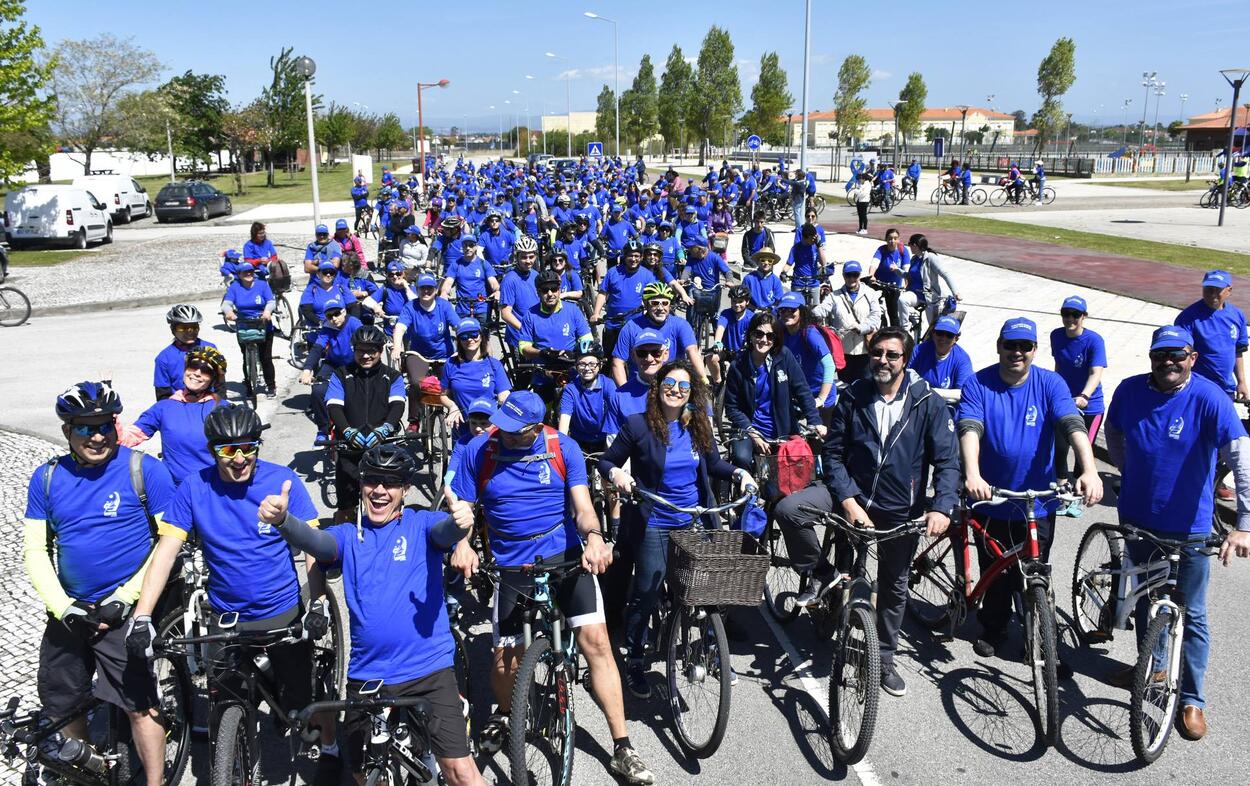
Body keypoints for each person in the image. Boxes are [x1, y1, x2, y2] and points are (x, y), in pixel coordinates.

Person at [448, 392, 655, 785]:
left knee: (597, 642)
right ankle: (506, 714)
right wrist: (462, 544)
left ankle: (622, 746)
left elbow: (582, 506)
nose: (503, 435)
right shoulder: (482, 449)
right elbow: (464, 508)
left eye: (514, 431)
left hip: (562, 559)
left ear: (535, 428)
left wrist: (594, 537)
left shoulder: (563, 447)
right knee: (505, 661)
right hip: (512, 565)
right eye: (501, 426)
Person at [125, 406, 333, 782]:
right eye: (227, 451)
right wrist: (142, 616)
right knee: (229, 706)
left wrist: (317, 602)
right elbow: (166, 552)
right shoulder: (193, 487)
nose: (239, 459)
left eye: (247, 448)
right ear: (211, 450)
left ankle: (315, 728)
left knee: (299, 704)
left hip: (282, 613)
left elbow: (313, 551)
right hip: (227, 620)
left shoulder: (282, 481)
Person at [263, 445, 487, 786]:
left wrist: (459, 526)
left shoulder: (421, 524)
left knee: (461, 772)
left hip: (427, 669)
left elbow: (444, 532)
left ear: (405, 489)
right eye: (372, 481)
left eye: (391, 482)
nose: (380, 490)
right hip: (369, 673)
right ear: (361, 484)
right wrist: (284, 521)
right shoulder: (347, 535)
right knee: (361, 774)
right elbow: (317, 543)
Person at [784, 326, 960, 696]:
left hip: (900, 507)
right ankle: (824, 572)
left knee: (894, 586)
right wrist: (848, 500)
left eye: (891, 355)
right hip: (851, 496)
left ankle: (884, 658)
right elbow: (832, 454)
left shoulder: (927, 402)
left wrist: (942, 506)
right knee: (790, 509)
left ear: (905, 360)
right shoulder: (854, 395)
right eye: (877, 352)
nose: (882, 360)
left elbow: (947, 460)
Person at [1103, 324, 1250, 741]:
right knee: (1149, 603)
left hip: (1189, 530)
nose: (1168, 362)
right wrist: (1124, 467)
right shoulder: (1130, 390)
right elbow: (1113, 430)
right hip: (1137, 520)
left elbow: (1241, 455)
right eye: (1160, 355)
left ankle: (1192, 700)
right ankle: (1151, 668)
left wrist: (1244, 523)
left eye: (1177, 355)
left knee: (1194, 614)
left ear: (1192, 358)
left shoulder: (1208, 397)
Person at [25, 382, 174, 786]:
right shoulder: (47, 478)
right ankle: (86, 770)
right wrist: (63, 607)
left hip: (126, 607)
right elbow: (35, 551)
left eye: (105, 426)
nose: (96, 436)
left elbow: (169, 542)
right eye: (84, 428)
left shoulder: (144, 470)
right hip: (71, 610)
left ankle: (155, 782)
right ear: (66, 432)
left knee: (139, 705)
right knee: (63, 702)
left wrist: (126, 598)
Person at [598, 361, 756, 698]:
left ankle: (711, 649)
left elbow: (714, 465)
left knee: (709, 587)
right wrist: (619, 475)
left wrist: (739, 474)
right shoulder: (639, 425)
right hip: (654, 518)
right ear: (658, 387)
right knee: (648, 588)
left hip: (692, 516)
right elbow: (606, 461)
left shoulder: (698, 426)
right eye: (670, 383)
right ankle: (636, 658)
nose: (676, 390)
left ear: (691, 393)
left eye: (684, 387)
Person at [958, 317, 1103, 657]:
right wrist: (973, 474)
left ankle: (1041, 646)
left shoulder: (1051, 383)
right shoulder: (979, 384)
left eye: (1025, 346)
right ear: (999, 346)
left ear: (1035, 350)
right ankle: (993, 628)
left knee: (1034, 574)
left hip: (1037, 502)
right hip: (992, 497)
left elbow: (1071, 423)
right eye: (1011, 345)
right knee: (994, 573)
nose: (1017, 352)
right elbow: (970, 428)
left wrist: (1090, 469)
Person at [1176, 269, 1249, 499]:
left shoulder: (1236, 316)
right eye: (1208, 289)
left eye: (1217, 290)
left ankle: (1213, 482)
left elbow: (1237, 351)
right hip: (1196, 389)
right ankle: (1188, 479)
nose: (1212, 294)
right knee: (1194, 435)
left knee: (1218, 436)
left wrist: (1242, 382)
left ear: (1229, 291)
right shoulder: (1189, 317)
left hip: (1225, 389)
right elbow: (1180, 354)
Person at [723, 310, 824, 471]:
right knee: (741, 459)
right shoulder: (738, 366)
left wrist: (815, 421)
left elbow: (802, 391)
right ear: (750, 335)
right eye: (759, 334)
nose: (764, 340)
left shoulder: (784, 357)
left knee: (796, 469)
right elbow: (732, 407)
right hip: (749, 429)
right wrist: (752, 433)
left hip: (782, 429)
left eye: (770, 336)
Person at [324, 325, 405, 522]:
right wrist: (348, 431)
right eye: (361, 350)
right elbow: (334, 406)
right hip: (349, 450)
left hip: (383, 452)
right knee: (345, 511)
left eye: (372, 351)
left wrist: (385, 428)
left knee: (392, 510)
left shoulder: (392, 376)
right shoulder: (341, 374)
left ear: (380, 351)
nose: (366, 355)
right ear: (354, 350)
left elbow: (397, 405)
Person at [121, 346, 231, 484]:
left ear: (213, 379)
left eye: (206, 371)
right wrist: (110, 413)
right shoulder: (163, 408)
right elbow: (126, 439)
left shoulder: (223, 409)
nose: (197, 373)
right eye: (193, 366)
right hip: (175, 489)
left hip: (212, 488)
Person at [1050, 296, 1107, 517]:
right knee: (1060, 447)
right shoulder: (1056, 336)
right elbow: (1058, 365)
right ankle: (1063, 491)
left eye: (1075, 314)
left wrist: (1084, 395)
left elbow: (1096, 372)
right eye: (1066, 314)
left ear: (1084, 316)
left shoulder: (1094, 341)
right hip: (1064, 403)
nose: (1070, 319)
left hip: (1090, 407)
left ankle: (1079, 495)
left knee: (1083, 451)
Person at [393, 273, 460, 432]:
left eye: (430, 288)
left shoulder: (443, 306)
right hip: (418, 355)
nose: (426, 291)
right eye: (422, 288)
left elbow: (458, 327)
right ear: (417, 290)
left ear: (436, 290)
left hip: (444, 355)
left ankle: (458, 412)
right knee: (416, 382)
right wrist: (397, 347)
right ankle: (414, 420)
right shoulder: (411, 307)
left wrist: (464, 346)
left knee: (455, 382)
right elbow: (400, 328)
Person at [611, 281, 707, 386]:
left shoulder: (680, 325)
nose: (660, 308)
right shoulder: (631, 327)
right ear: (646, 305)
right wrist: (625, 394)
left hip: (671, 386)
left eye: (665, 303)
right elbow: (618, 363)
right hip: (641, 384)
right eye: (655, 303)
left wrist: (703, 380)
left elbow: (692, 351)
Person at [300, 299, 364, 446]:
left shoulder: (354, 323)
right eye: (329, 316)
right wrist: (307, 369)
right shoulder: (327, 327)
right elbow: (317, 348)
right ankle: (323, 430)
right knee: (317, 391)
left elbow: (364, 342)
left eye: (336, 314)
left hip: (354, 364)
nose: (334, 319)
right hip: (333, 364)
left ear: (344, 311)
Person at [440, 317, 511, 433]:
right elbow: (443, 395)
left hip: (488, 425)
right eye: (464, 336)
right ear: (459, 340)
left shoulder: (494, 365)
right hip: (463, 424)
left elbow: (504, 395)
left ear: (481, 336)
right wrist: (452, 407)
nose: (470, 339)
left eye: (474, 334)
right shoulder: (451, 364)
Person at [814, 260, 879, 384]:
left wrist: (862, 328)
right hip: (843, 351)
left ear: (859, 275)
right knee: (845, 386)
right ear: (844, 276)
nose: (851, 278)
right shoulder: (834, 296)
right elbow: (822, 309)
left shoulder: (870, 294)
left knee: (865, 386)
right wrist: (808, 313)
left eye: (855, 275)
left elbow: (876, 317)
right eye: (848, 275)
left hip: (864, 350)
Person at [222, 262, 278, 398]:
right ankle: (248, 385)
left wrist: (267, 311)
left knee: (266, 357)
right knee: (246, 358)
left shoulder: (262, 285)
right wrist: (229, 312)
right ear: (239, 275)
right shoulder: (235, 287)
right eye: (245, 272)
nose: (248, 274)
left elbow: (271, 301)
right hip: (244, 324)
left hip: (262, 323)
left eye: (251, 271)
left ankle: (271, 385)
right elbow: (226, 303)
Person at [593, 240, 657, 357]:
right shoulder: (613, 272)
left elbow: (652, 298)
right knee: (608, 359)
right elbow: (603, 294)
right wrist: (596, 313)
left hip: (635, 323)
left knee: (635, 358)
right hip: (612, 322)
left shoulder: (647, 275)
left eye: (637, 256)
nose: (633, 259)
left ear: (642, 257)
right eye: (630, 255)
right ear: (624, 256)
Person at [778, 292, 836, 412]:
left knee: (823, 429)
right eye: (783, 310)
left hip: (820, 392)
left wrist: (821, 398)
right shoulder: (782, 332)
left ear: (801, 312)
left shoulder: (809, 333)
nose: (787, 314)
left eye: (792, 310)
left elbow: (829, 365)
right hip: (800, 393)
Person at [559, 343, 617, 453]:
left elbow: (615, 416)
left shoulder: (608, 385)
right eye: (582, 364)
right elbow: (564, 420)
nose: (587, 368)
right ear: (575, 365)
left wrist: (611, 449)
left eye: (592, 364)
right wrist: (562, 446)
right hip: (579, 441)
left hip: (604, 439)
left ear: (600, 365)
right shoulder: (571, 389)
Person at [899, 234, 960, 334]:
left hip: (930, 298)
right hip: (915, 295)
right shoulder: (914, 259)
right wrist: (896, 270)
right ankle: (904, 330)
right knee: (902, 300)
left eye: (909, 244)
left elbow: (945, 274)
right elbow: (909, 276)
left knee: (934, 330)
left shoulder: (930, 258)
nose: (908, 246)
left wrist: (956, 292)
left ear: (915, 245)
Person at [154, 304, 217, 401]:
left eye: (194, 327)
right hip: (180, 405)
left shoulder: (210, 348)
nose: (190, 331)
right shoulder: (164, 358)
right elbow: (162, 394)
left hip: (208, 402)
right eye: (183, 328)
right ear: (173, 329)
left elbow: (220, 383)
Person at [909, 315, 974, 404]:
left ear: (956, 338)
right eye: (940, 333)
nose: (943, 338)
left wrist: (930, 391)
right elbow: (904, 377)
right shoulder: (918, 351)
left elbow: (963, 392)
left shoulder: (962, 359)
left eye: (949, 335)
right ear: (933, 334)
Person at [439, 235, 499, 320]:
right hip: (462, 308)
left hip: (481, 307)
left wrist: (497, 291)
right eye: (465, 245)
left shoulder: (484, 264)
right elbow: (448, 282)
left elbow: (493, 282)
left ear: (476, 247)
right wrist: (444, 292)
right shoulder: (456, 264)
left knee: (483, 332)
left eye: (471, 245)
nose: (468, 248)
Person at [498, 236, 542, 350]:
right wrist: (525, 330)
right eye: (523, 257)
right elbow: (506, 314)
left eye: (531, 257)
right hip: (519, 336)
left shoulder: (535, 275)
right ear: (516, 257)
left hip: (537, 332)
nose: (528, 261)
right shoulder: (510, 279)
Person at [710, 284, 754, 385]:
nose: (737, 304)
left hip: (742, 353)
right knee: (710, 358)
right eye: (734, 301)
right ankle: (717, 382)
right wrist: (717, 342)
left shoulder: (751, 317)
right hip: (726, 351)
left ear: (747, 302)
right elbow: (721, 327)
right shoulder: (726, 313)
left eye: (740, 301)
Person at [867, 228, 911, 328]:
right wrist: (871, 275)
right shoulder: (881, 249)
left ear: (898, 240)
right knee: (873, 309)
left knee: (893, 314)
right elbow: (874, 262)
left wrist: (907, 282)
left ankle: (895, 334)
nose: (892, 241)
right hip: (878, 283)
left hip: (894, 286)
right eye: (890, 238)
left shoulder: (903, 251)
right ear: (886, 240)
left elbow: (906, 269)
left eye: (895, 238)